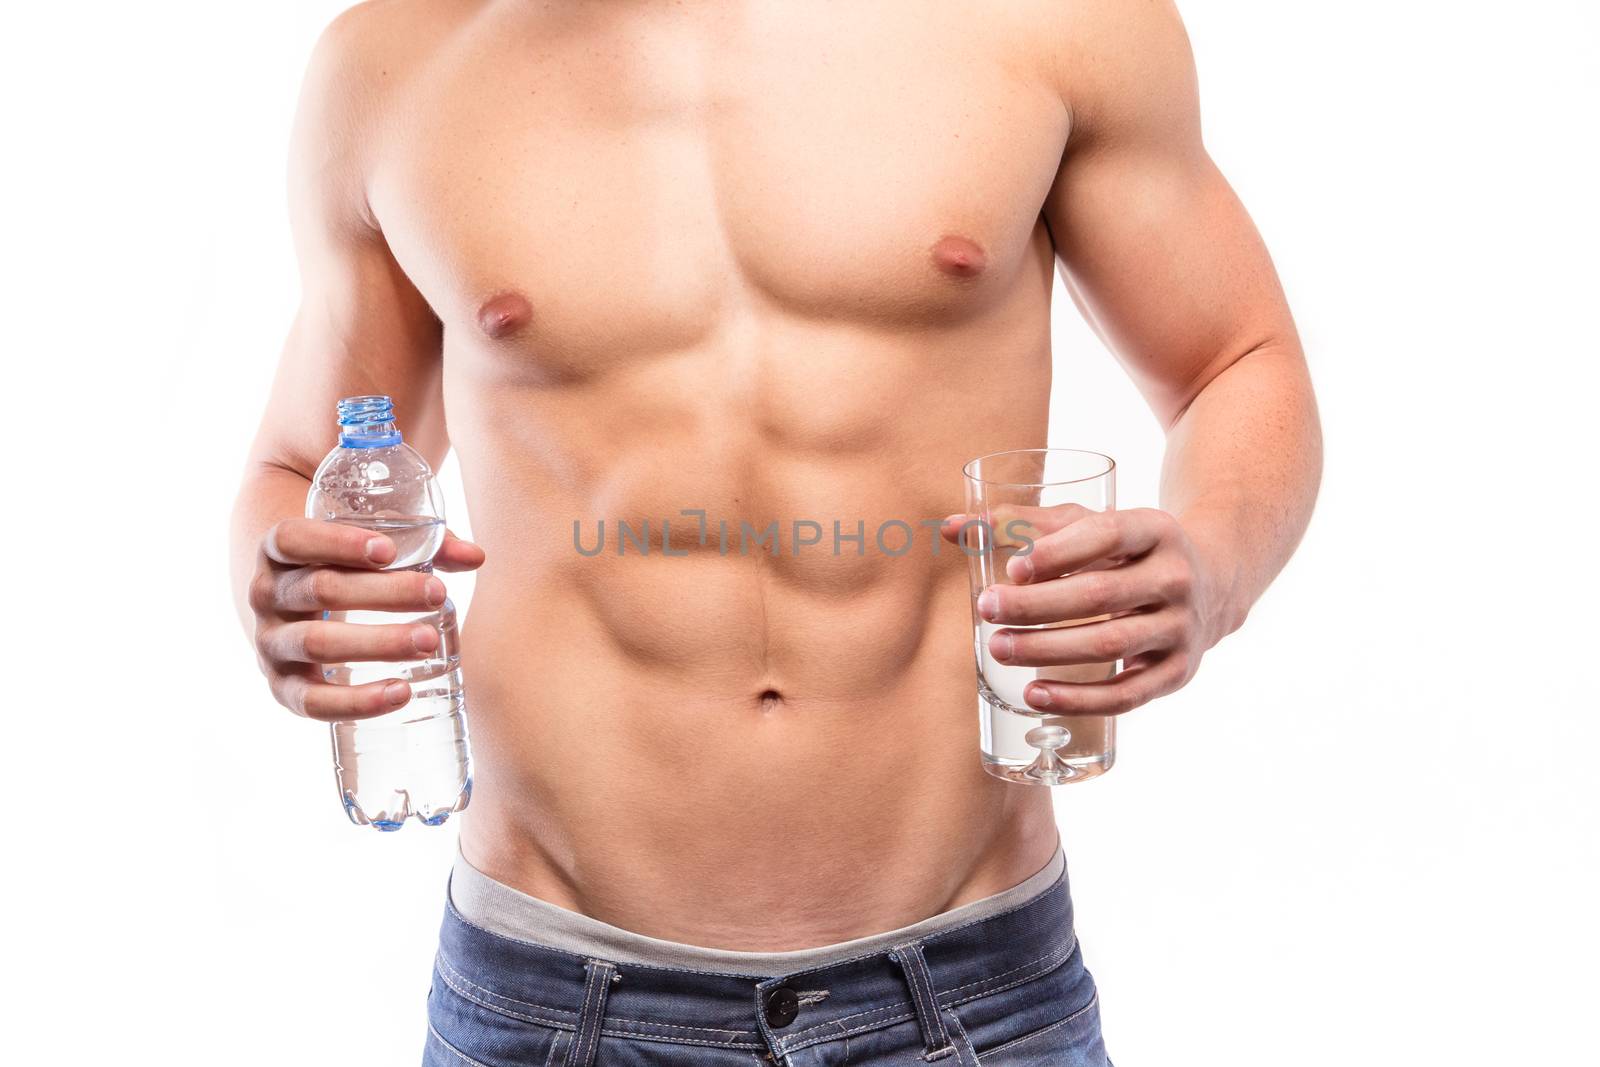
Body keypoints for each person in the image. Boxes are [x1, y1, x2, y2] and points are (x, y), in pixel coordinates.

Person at [230, 1, 1321, 1062]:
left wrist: (1212, 564)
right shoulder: (394, 64)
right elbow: (299, 460)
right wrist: (277, 593)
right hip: (549, 991)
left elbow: (1234, 358)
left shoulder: (1051, 21)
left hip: (972, 985)